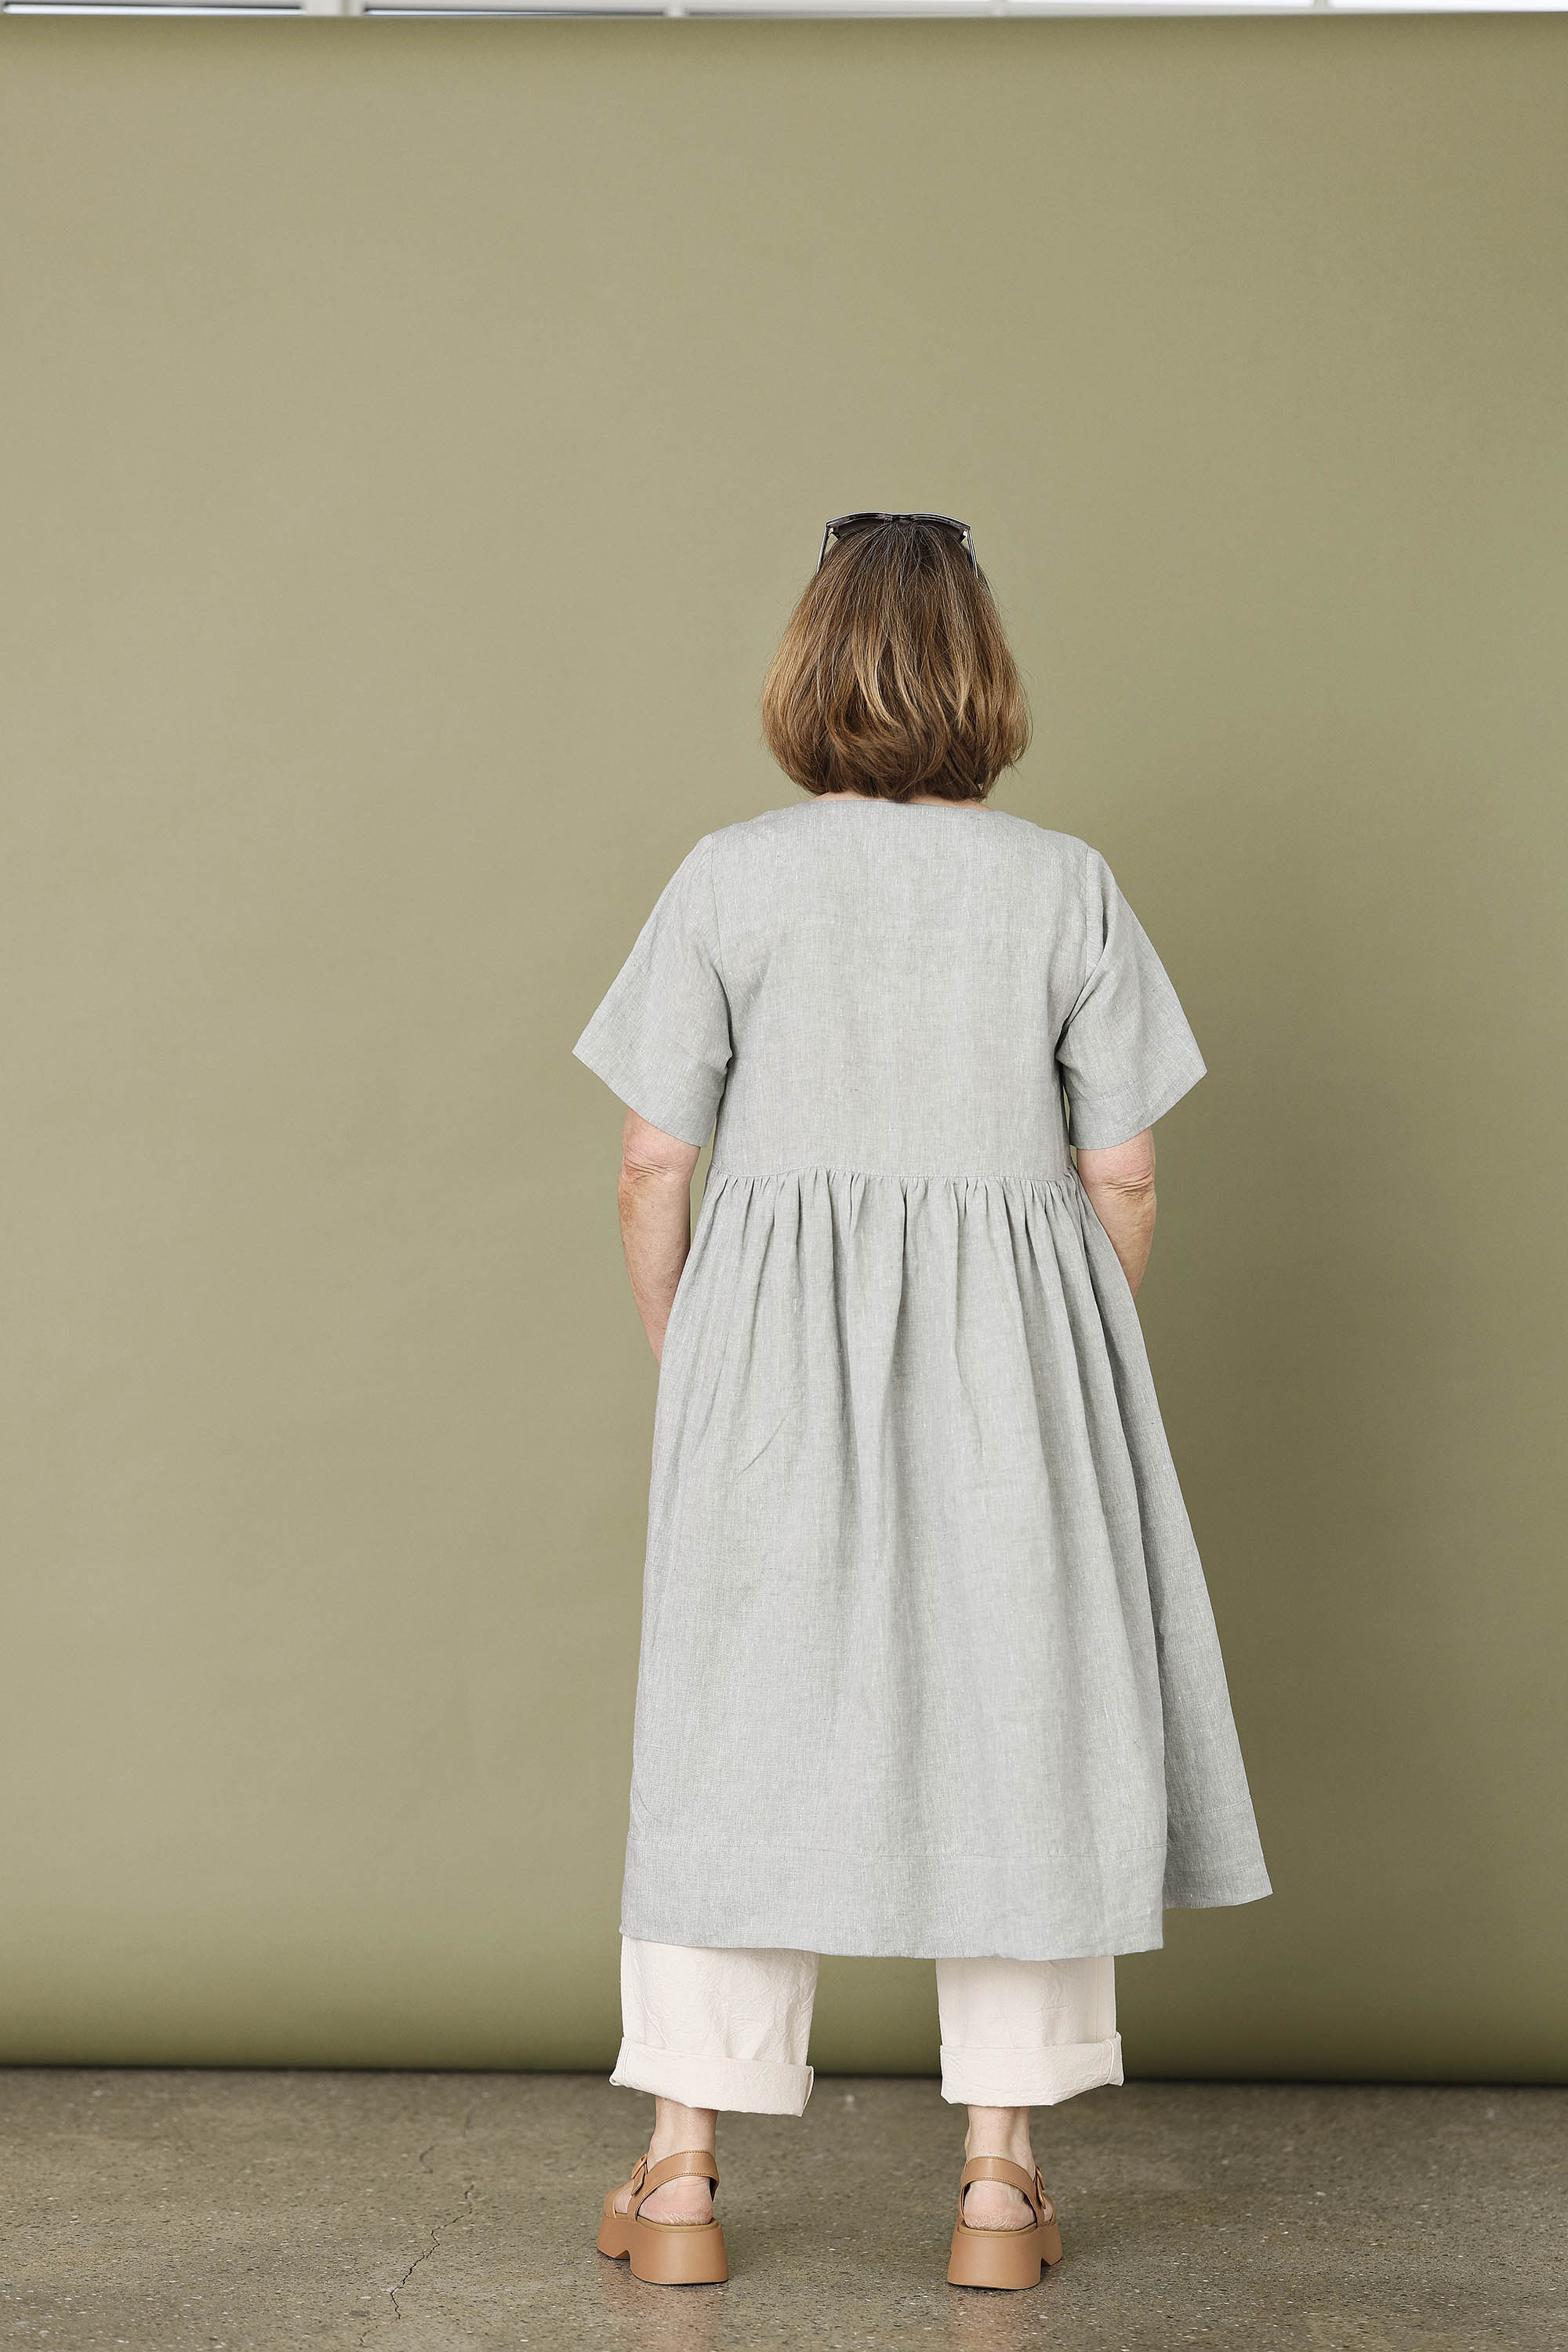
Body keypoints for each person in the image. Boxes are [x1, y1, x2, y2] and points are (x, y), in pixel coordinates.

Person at [572, 511, 1270, 2292]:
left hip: (766, 1345)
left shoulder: (730, 874)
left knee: (731, 1720)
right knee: (1019, 1721)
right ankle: (997, 2190)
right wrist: (1066, 1348)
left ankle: (677, 2182)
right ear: (986, 675)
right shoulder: (1063, 884)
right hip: (1018, 1350)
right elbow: (1121, 1172)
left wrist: (692, 1342)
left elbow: (658, 1155)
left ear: (806, 668)